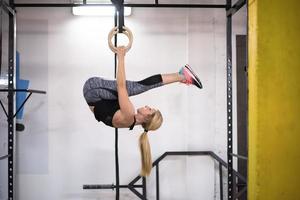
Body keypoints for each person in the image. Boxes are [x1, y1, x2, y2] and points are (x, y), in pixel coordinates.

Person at [83, 47, 202, 176]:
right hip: (96, 97)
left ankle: (182, 75)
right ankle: (182, 75)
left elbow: (121, 85)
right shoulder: (129, 121)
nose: (147, 106)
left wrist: (121, 57)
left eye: (149, 109)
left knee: (136, 87)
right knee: (138, 87)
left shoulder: (128, 115)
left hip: (92, 90)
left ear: (146, 118)